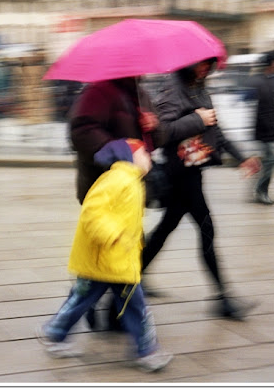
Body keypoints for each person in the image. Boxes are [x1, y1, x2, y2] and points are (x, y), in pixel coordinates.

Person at [36, 138, 174, 373]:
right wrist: (114, 236)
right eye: (145, 153)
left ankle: (54, 333)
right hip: (108, 257)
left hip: (116, 259)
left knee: (84, 299)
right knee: (132, 305)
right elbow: (93, 212)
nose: (149, 157)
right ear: (130, 157)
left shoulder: (132, 181)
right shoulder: (118, 179)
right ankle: (147, 351)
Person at [141, 57, 261, 320]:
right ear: (188, 62)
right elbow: (163, 132)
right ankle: (222, 298)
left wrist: (241, 157)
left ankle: (133, 277)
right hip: (179, 173)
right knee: (206, 228)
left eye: (209, 64)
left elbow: (215, 131)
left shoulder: (198, 87)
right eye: (200, 63)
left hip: (193, 171)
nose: (205, 67)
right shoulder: (173, 88)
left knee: (165, 229)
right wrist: (197, 119)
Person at [68, 77, 165, 330]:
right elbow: (80, 130)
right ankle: (81, 314)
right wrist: (120, 149)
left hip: (131, 190)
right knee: (104, 256)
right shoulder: (98, 91)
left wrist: (153, 126)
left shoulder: (141, 93)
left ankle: (111, 312)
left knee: (121, 254)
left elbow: (155, 140)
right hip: (103, 188)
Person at [247, 50, 274, 204]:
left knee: (267, 162)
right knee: (271, 161)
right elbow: (259, 110)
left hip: (267, 130)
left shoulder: (267, 81)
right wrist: (267, 130)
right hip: (263, 131)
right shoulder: (260, 82)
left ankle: (257, 190)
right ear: (271, 64)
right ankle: (260, 192)